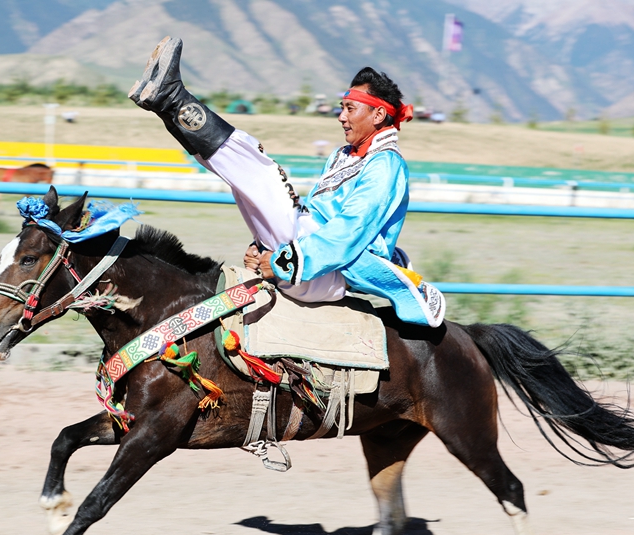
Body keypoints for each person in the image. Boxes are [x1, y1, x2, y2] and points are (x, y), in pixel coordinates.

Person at [128, 37, 444, 327]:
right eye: (342, 108)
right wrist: (262, 248)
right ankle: (164, 105)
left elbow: (348, 233)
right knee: (244, 183)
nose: (341, 117)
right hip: (308, 253)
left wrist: (279, 263)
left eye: (350, 108)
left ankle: (171, 96)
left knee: (262, 172)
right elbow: (314, 216)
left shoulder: (386, 166)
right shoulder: (344, 154)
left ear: (377, 116)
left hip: (330, 270)